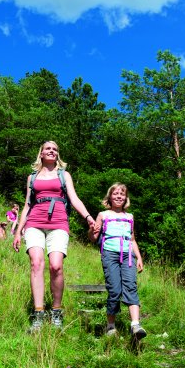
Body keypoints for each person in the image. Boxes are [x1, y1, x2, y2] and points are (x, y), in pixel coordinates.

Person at [13, 141, 96, 332]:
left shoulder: (64, 175)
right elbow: (26, 205)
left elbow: (74, 198)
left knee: (56, 266)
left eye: (55, 149)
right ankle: (39, 313)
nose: (51, 151)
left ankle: (56, 311)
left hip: (58, 222)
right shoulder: (32, 178)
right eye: (48, 148)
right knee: (36, 263)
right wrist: (18, 231)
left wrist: (88, 217)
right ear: (41, 154)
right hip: (34, 222)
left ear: (57, 154)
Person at [88, 182, 146, 340]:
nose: (119, 196)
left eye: (122, 194)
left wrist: (139, 258)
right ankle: (111, 326)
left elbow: (132, 239)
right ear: (110, 197)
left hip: (128, 256)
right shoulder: (103, 215)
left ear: (126, 197)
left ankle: (135, 324)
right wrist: (93, 230)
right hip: (109, 254)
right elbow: (93, 238)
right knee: (114, 290)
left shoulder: (130, 217)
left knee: (131, 287)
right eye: (115, 194)